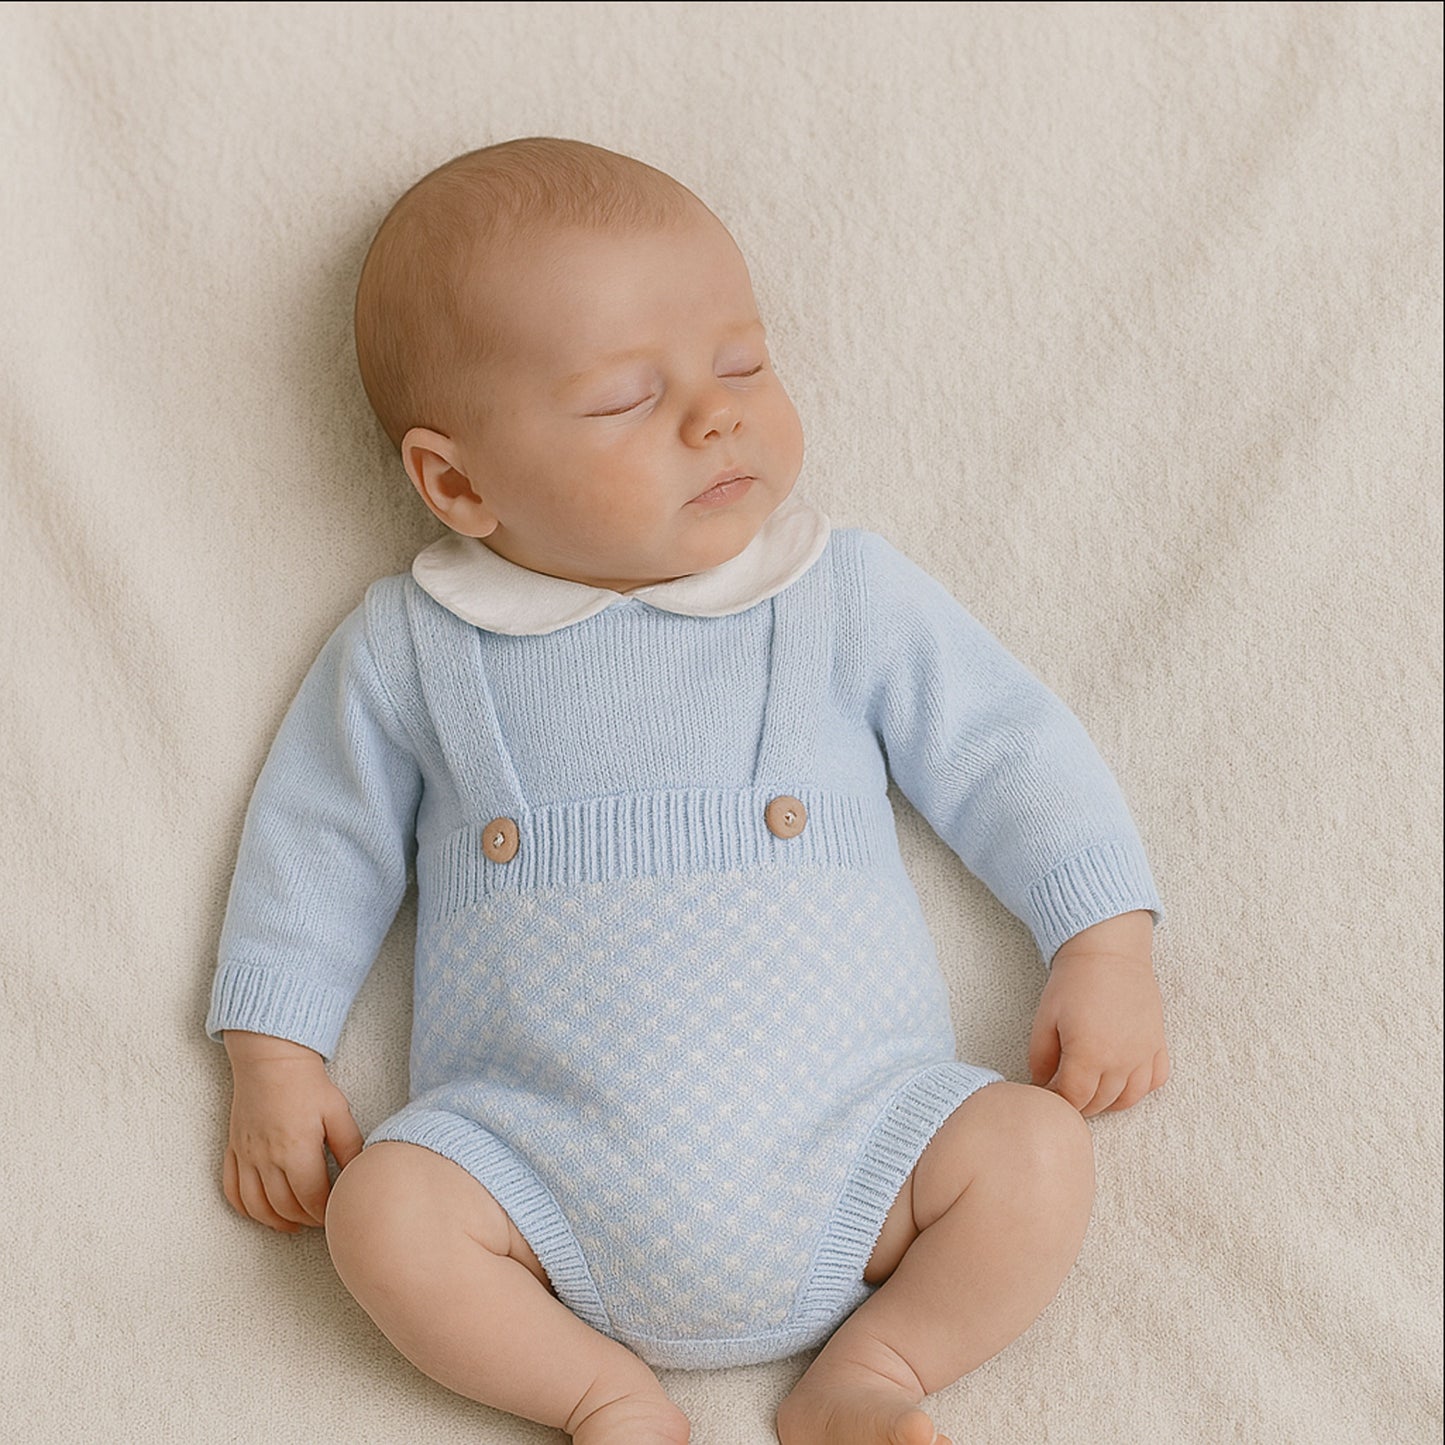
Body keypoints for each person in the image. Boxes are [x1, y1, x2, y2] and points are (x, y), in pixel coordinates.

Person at [208, 136, 1169, 1445]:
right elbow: (314, 840)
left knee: (1038, 1152)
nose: (715, 415)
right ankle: (603, 1397)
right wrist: (274, 1050)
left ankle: (872, 1371)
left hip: (868, 1144)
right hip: (534, 1169)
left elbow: (1009, 747)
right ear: (456, 482)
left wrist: (1100, 939)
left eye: (741, 364)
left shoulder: (843, 594)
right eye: (621, 399)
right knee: (383, 1211)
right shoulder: (413, 646)